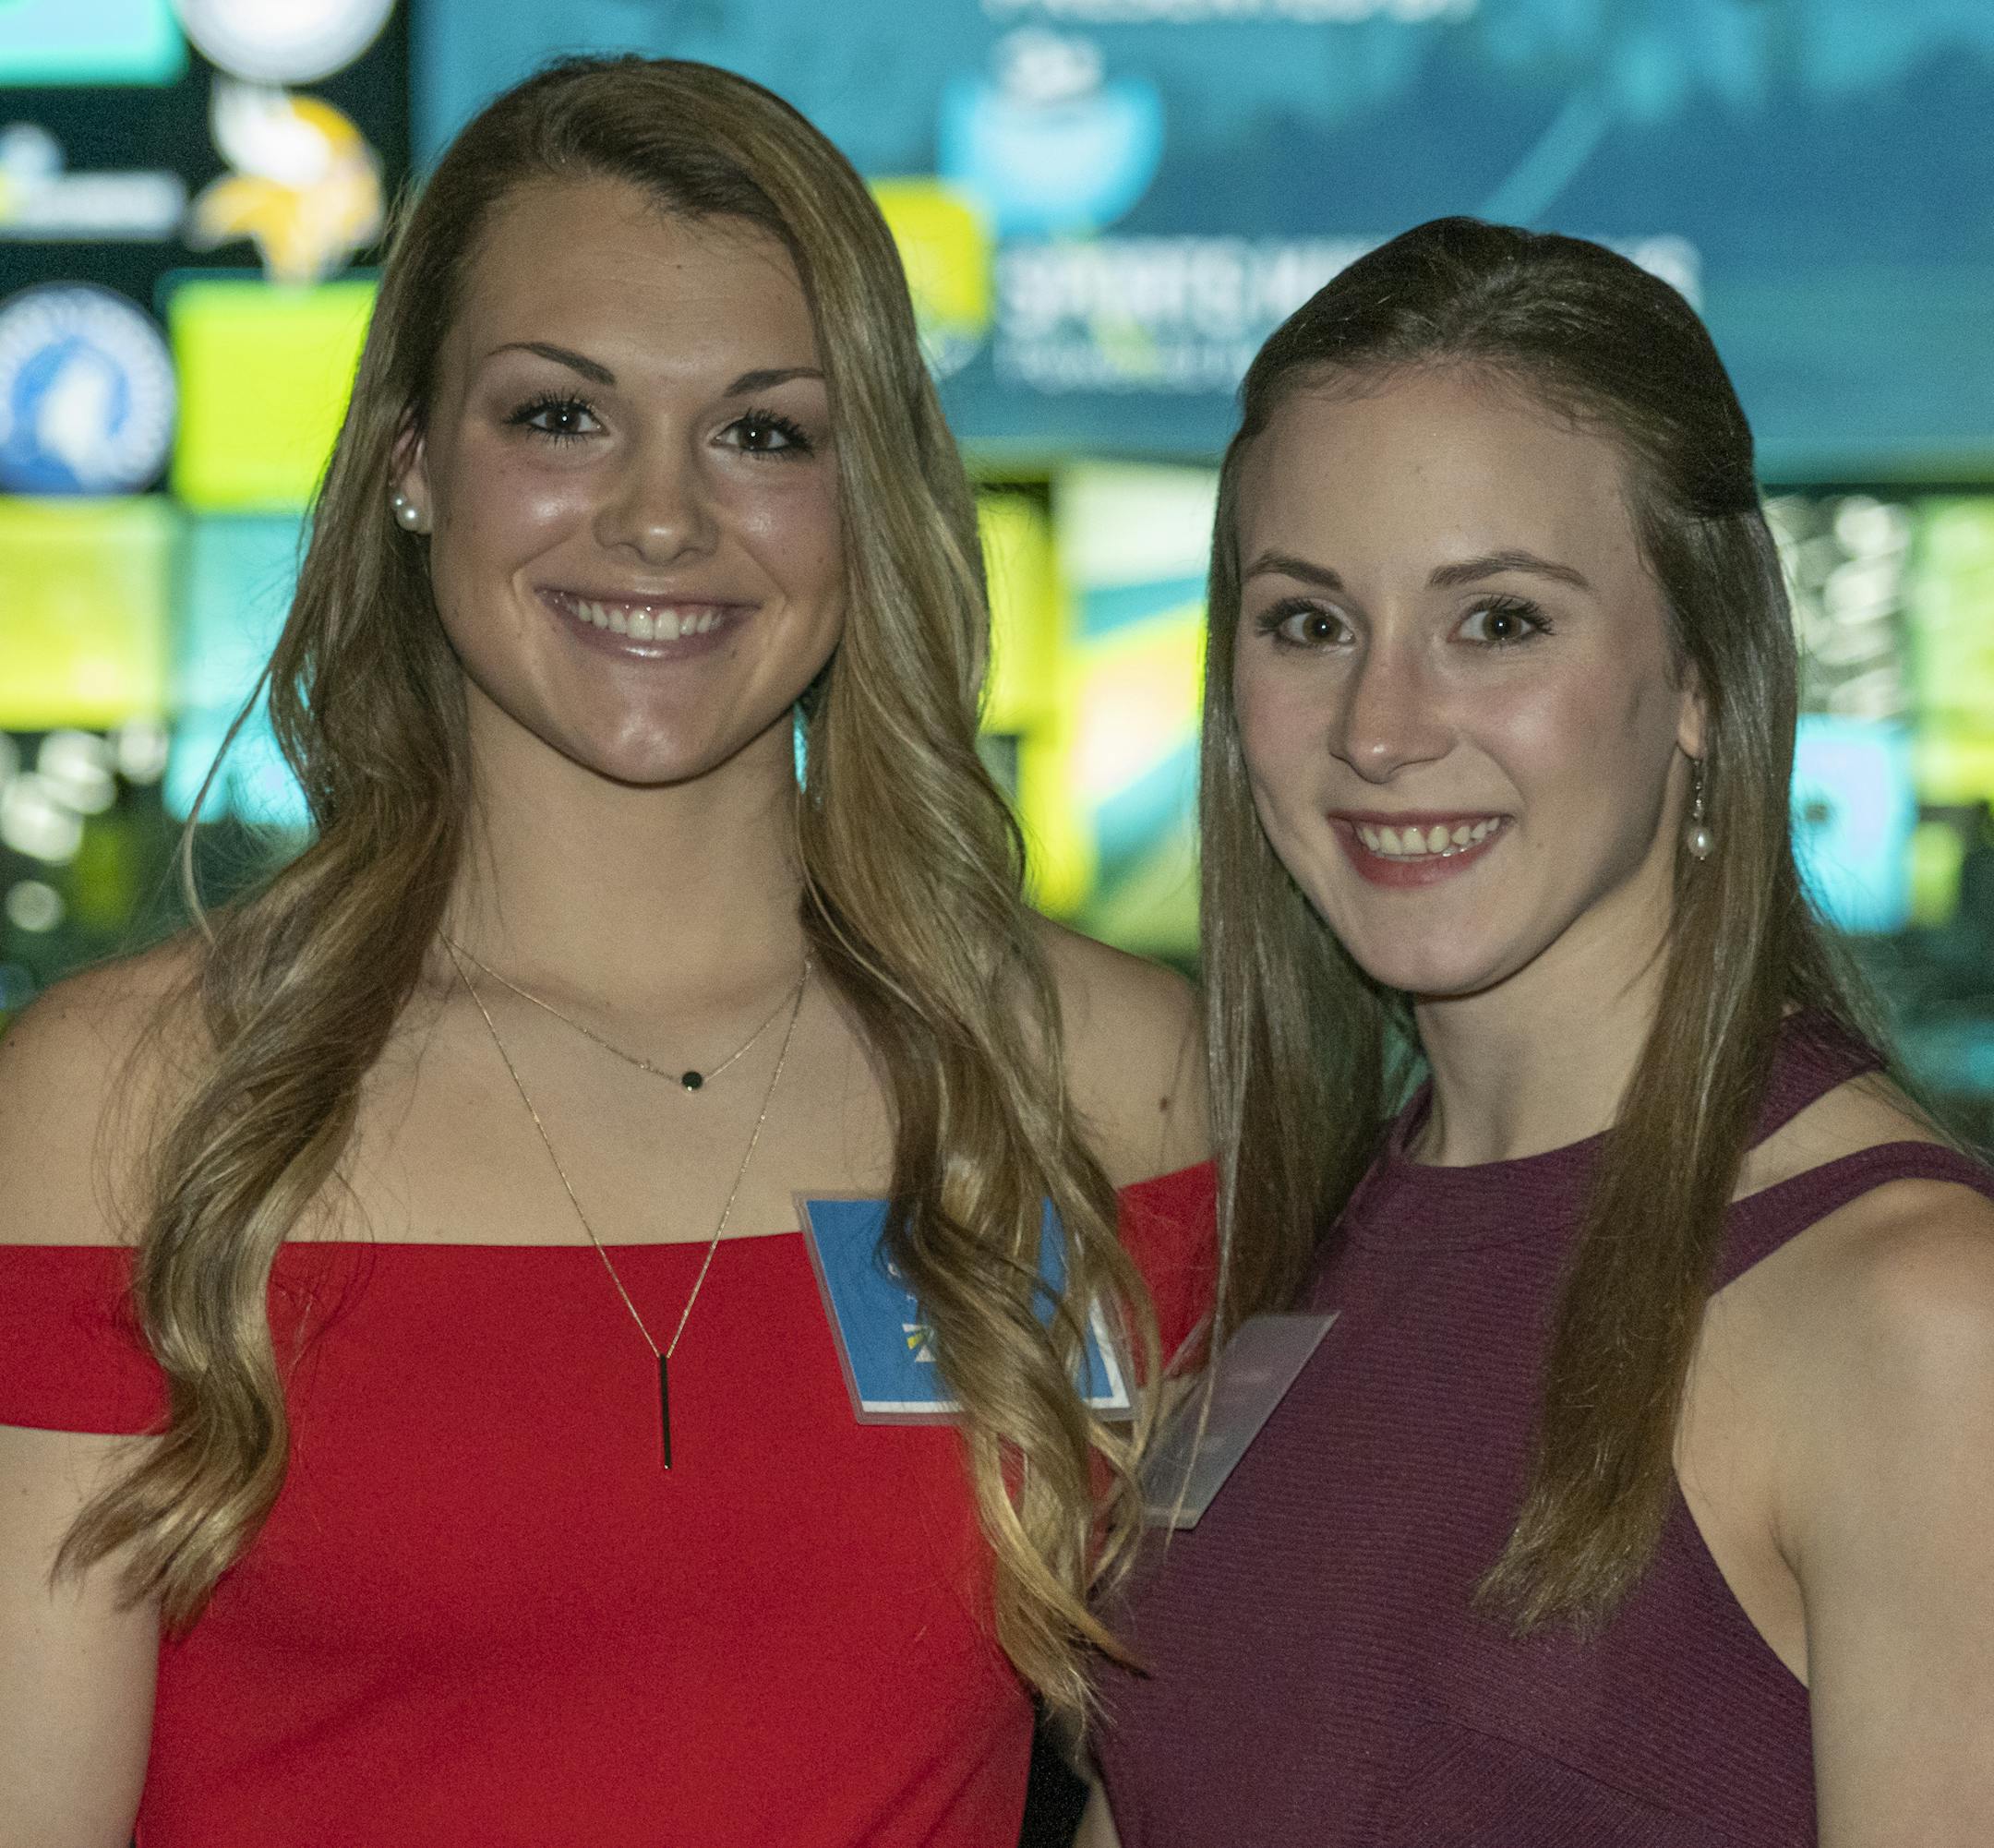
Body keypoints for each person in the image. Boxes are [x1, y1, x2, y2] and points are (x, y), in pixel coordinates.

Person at [0, 57, 1211, 1848]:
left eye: (765, 430)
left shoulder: (1090, 1077)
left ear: (866, 494)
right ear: (412, 464)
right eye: (562, 418)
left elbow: (1200, 1757)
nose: (662, 517)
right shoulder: (135, 1101)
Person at [1085, 218, 1994, 1845]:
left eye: (1497, 620)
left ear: (1705, 673)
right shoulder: (1281, 1264)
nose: (1381, 725)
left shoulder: (1923, 1321)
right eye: (1309, 621)